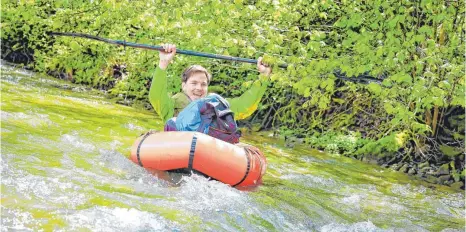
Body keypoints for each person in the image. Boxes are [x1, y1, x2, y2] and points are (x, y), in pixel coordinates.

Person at [149, 44, 272, 131]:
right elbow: (156, 96)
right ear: (183, 86)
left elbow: (244, 105)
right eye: (194, 83)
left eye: (203, 84)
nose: (199, 88)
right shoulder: (170, 106)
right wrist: (163, 63)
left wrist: (264, 76)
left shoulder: (216, 106)